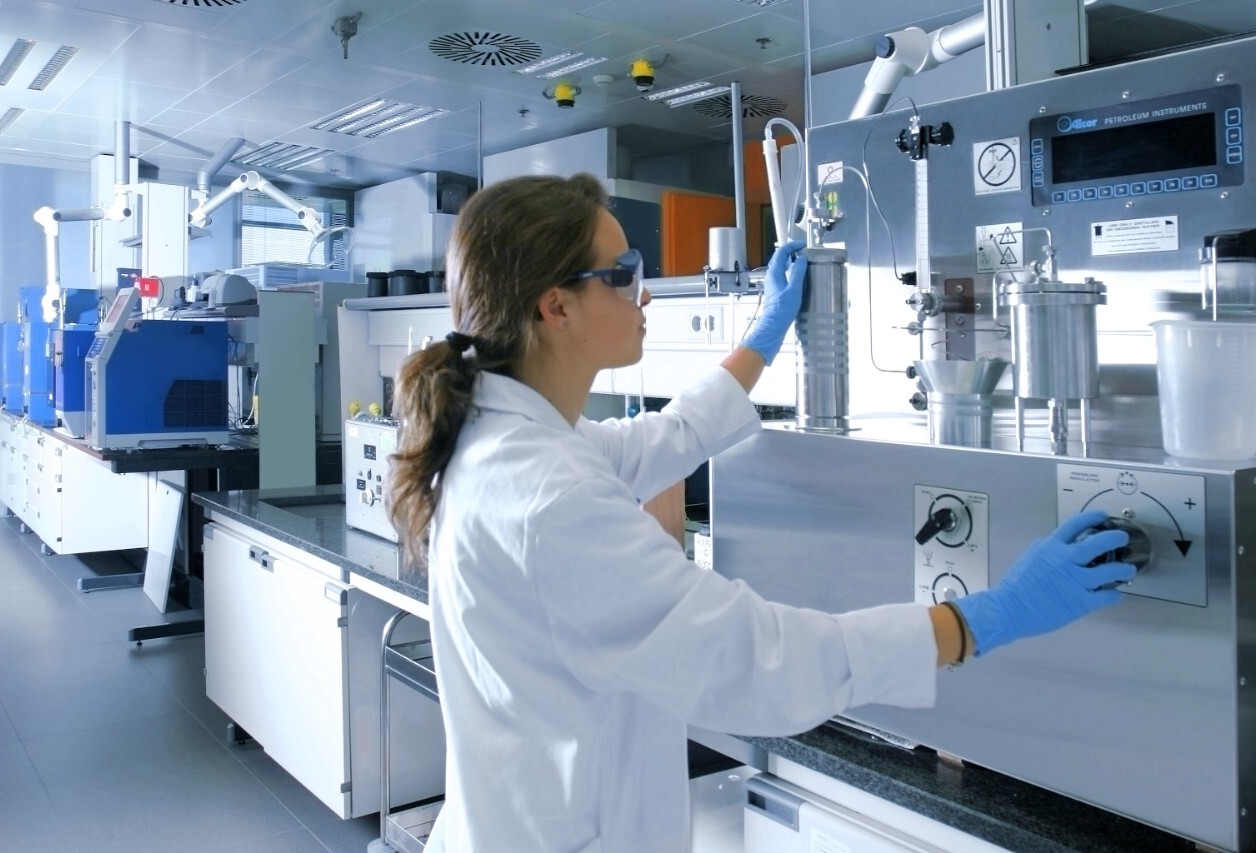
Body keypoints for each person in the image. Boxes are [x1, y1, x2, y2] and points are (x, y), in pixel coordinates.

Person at [389, 173, 1134, 853]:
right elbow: (758, 658)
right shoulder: (546, 496)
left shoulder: (517, 442)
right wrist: (985, 618)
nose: (644, 294)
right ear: (556, 306)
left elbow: (668, 437)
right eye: (623, 275)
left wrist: (765, 334)